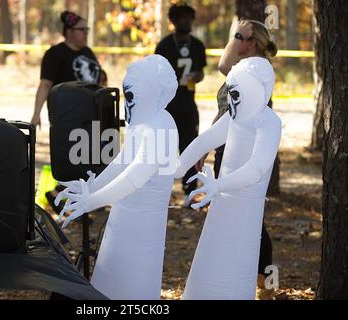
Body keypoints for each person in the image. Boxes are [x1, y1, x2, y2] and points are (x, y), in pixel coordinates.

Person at [55, 55, 179, 299]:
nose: (126, 103)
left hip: (143, 222)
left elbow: (136, 176)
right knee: (111, 278)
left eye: (130, 95)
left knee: (134, 283)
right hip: (125, 212)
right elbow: (123, 160)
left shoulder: (160, 126)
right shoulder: (143, 123)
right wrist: (91, 187)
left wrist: (93, 200)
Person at [175, 19, 281, 299]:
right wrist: (173, 169)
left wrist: (217, 186)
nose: (232, 98)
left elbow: (257, 168)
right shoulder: (235, 117)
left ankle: (264, 285)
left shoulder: (268, 122)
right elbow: (207, 137)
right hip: (223, 193)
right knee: (214, 254)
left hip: (243, 200)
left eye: (236, 92)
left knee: (242, 254)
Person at [30, 10, 102, 213]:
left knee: (92, 161)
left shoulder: (87, 52)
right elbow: (45, 85)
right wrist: (36, 114)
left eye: (87, 29)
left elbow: (98, 78)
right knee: (73, 163)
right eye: (82, 30)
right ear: (69, 32)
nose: (86, 33)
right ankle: (57, 196)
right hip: (68, 118)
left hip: (91, 116)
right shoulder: (55, 54)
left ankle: (79, 201)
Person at [155, 2, 207, 207]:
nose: (187, 21)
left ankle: (190, 191)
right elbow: (157, 74)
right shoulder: (165, 46)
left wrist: (197, 76)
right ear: (173, 21)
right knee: (166, 150)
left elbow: (201, 72)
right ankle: (163, 191)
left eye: (190, 17)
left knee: (190, 147)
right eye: (183, 17)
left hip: (188, 104)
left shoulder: (197, 45)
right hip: (168, 106)